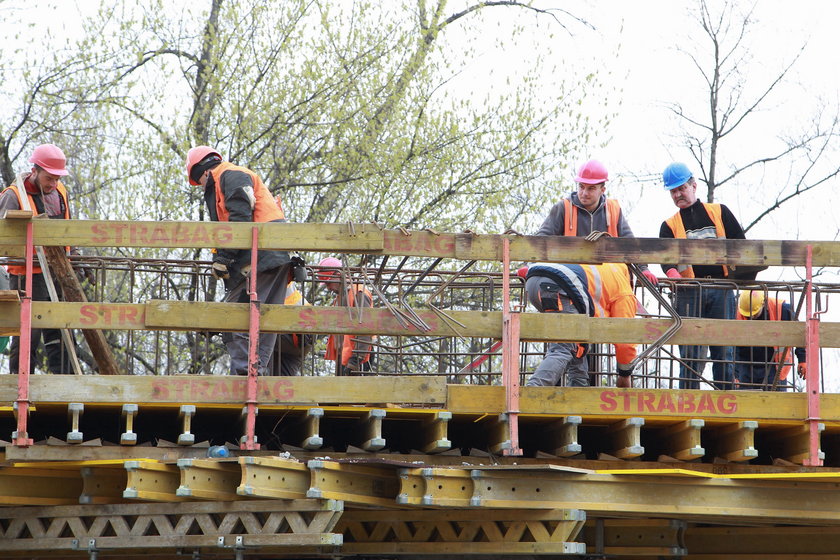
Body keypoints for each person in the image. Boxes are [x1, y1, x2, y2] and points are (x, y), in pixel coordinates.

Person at [185, 145, 292, 376]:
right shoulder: (231, 176)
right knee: (264, 323)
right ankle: (255, 376)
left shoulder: (230, 175)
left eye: (200, 182)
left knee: (234, 319)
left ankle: (244, 378)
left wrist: (225, 257)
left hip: (262, 256)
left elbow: (241, 216)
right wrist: (222, 257)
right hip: (272, 256)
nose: (202, 187)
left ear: (203, 172)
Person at [659, 162, 746, 390]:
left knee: (724, 350)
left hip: (722, 289)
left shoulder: (720, 212)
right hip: (688, 291)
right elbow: (665, 260)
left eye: (681, 188)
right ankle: (688, 403)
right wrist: (673, 274)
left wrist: (742, 275)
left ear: (694, 186)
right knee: (690, 354)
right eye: (673, 191)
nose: (678, 194)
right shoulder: (669, 226)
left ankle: (725, 401)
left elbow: (742, 245)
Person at [0, 144, 73, 373]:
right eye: (49, 178)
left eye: (56, 179)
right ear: (35, 170)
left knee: (61, 332)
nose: (52, 184)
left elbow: (71, 229)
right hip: (26, 276)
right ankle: (19, 388)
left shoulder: (60, 193)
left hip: (58, 272)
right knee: (26, 334)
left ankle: (64, 388)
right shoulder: (13, 196)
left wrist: (75, 255)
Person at [535, 159, 659, 285]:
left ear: (602, 190)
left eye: (591, 188)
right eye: (581, 187)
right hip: (573, 280)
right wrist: (531, 266)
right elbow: (541, 240)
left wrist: (644, 269)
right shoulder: (563, 208)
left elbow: (630, 243)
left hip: (609, 280)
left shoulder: (613, 209)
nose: (584, 193)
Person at [519, 262, 638, 389]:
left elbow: (580, 336)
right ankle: (531, 392)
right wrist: (625, 374)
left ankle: (578, 388)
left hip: (535, 281)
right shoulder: (624, 291)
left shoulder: (604, 270)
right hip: (559, 286)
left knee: (574, 340)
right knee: (562, 349)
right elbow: (625, 338)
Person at [735, 290, 806, 391]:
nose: (750, 317)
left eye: (754, 315)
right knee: (745, 403)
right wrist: (735, 373)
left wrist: (803, 359)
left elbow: (799, 333)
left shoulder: (782, 309)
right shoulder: (738, 313)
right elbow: (733, 346)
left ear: (763, 303)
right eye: (747, 316)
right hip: (746, 365)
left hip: (774, 365)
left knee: (776, 404)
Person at [318, 257, 374, 375]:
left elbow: (366, 328)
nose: (328, 288)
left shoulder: (358, 293)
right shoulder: (341, 297)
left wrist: (355, 360)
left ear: (338, 275)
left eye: (328, 282)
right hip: (344, 357)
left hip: (358, 359)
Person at [269, 280, 315, 376]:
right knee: (283, 375)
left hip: (299, 334)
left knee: (256, 336)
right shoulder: (285, 283)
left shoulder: (275, 281)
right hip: (299, 335)